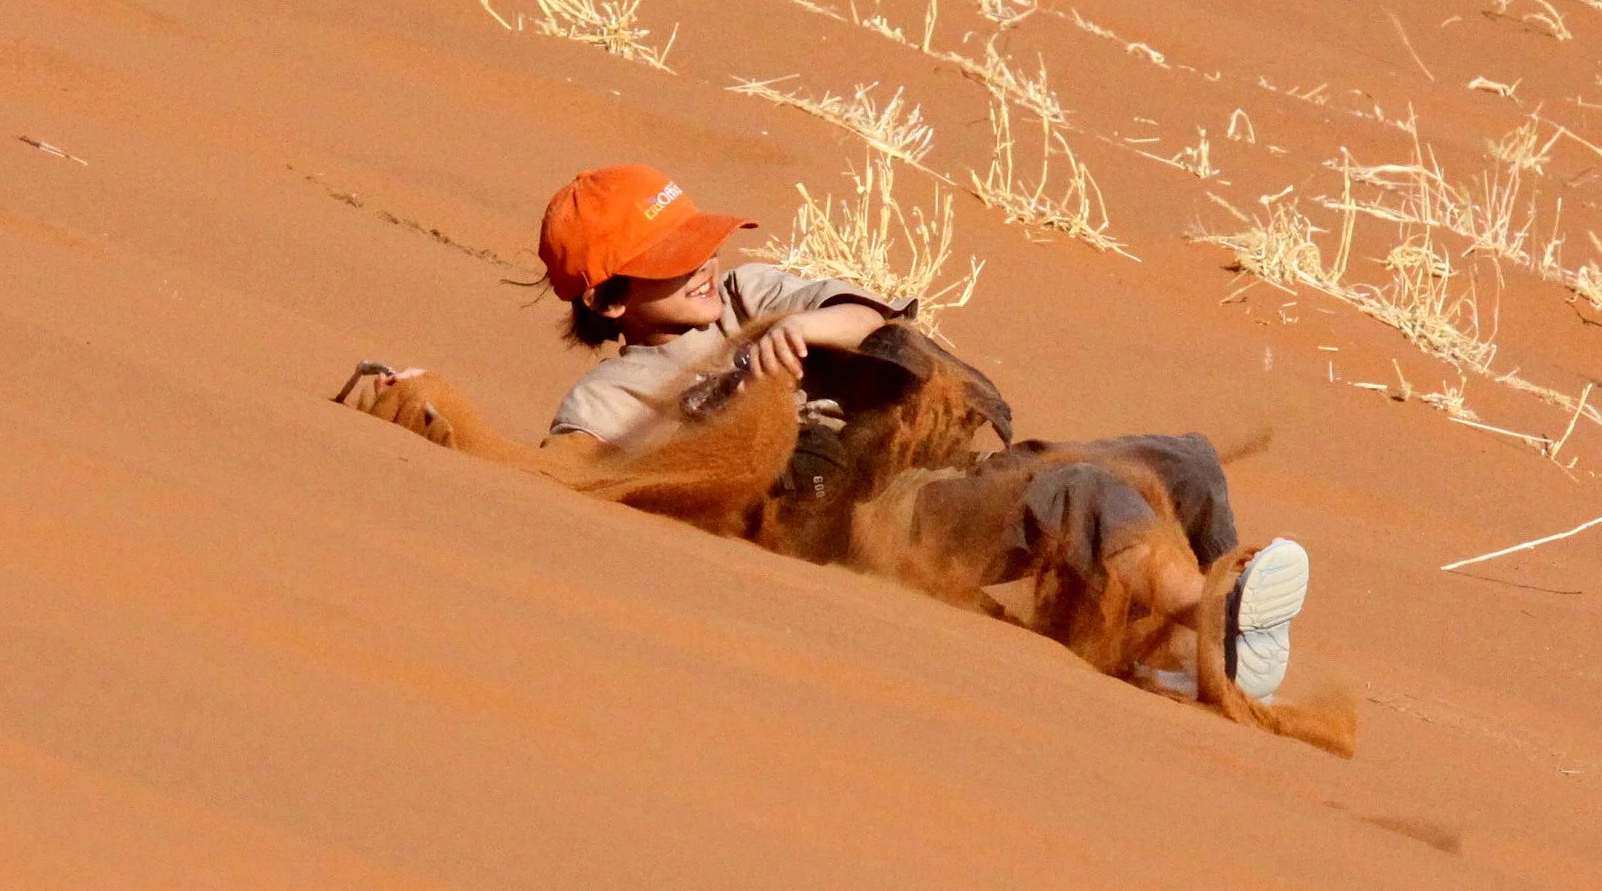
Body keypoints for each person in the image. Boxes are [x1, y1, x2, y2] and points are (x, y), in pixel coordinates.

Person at [358, 164, 1311, 701]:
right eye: (671, 258)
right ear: (607, 297)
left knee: (1181, 462)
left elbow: (864, 322)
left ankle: (1217, 654)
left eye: (700, 239)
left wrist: (792, 334)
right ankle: (1212, 611)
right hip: (872, 522)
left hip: (941, 460)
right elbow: (554, 476)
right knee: (1085, 499)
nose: (705, 262)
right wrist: (425, 405)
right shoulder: (609, 402)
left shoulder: (747, 289)